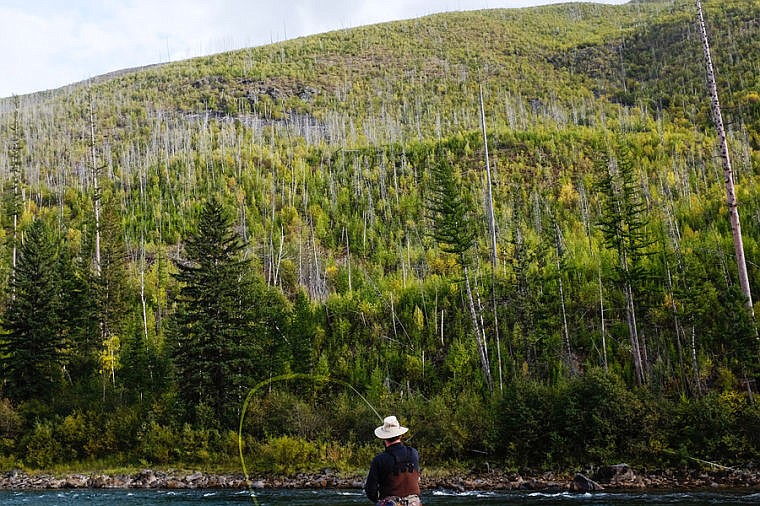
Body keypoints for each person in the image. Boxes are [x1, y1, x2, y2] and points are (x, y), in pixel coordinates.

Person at [364, 415, 422, 506]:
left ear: (384, 437)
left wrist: (379, 501)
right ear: (401, 435)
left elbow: (370, 491)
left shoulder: (379, 460)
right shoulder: (414, 453)